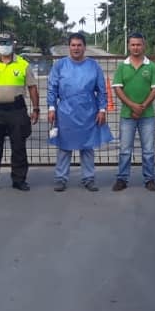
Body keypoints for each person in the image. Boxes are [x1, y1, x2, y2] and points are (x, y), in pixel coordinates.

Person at [0, 31, 40, 192]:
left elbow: (32, 87)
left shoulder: (23, 64)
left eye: (8, 43)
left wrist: (36, 108)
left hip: (16, 111)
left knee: (18, 147)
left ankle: (19, 180)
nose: (5, 46)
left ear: (13, 44)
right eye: (2, 43)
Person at [48, 33, 113, 192]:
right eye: (73, 45)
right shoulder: (60, 65)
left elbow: (102, 90)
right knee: (64, 146)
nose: (76, 48)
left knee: (87, 146)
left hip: (88, 112)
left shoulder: (93, 65)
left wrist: (102, 109)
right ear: (69, 47)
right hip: (65, 112)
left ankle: (89, 178)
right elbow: (52, 88)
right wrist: (51, 107)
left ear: (84, 47)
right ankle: (61, 178)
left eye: (79, 45)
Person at [111, 32, 155, 192]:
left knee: (148, 150)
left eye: (138, 44)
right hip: (127, 116)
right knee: (125, 150)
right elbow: (117, 88)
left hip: (147, 116)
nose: (136, 47)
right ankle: (122, 179)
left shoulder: (151, 66)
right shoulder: (122, 66)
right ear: (128, 46)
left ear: (144, 46)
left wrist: (142, 106)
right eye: (133, 44)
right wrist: (133, 106)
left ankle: (149, 179)